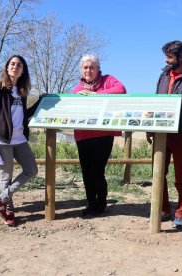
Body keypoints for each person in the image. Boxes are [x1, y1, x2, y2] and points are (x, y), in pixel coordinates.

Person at [146, 41, 182, 229]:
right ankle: (162, 209)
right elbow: (155, 103)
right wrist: (150, 129)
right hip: (161, 135)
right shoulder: (163, 76)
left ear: (181, 57)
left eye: (170, 56)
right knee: (158, 173)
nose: (166, 59)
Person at [0, 55, 42, 227]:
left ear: (23, 70)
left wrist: (40, 102)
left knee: (31, 170)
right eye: (12, 64)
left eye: (19, 65)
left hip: (20, 139)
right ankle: (8, 210)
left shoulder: (22, 90)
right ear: (7, 67)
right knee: (6, 176)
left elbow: (24, 114)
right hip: (2, 140)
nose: (15, 66)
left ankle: (0, 199)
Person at [73, 54, 126, 216]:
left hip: (103, 135)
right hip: (83, 135)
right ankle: (91, 204)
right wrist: (78, 97)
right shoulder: (77, 89)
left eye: (91, 67)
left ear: (97, 68)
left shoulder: (108, 80)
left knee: (97, 171)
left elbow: (121, 89)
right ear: (81, 70)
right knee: (86, 172)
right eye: (85, 67)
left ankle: (101, 203)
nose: (88, 70)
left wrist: (98, 95)